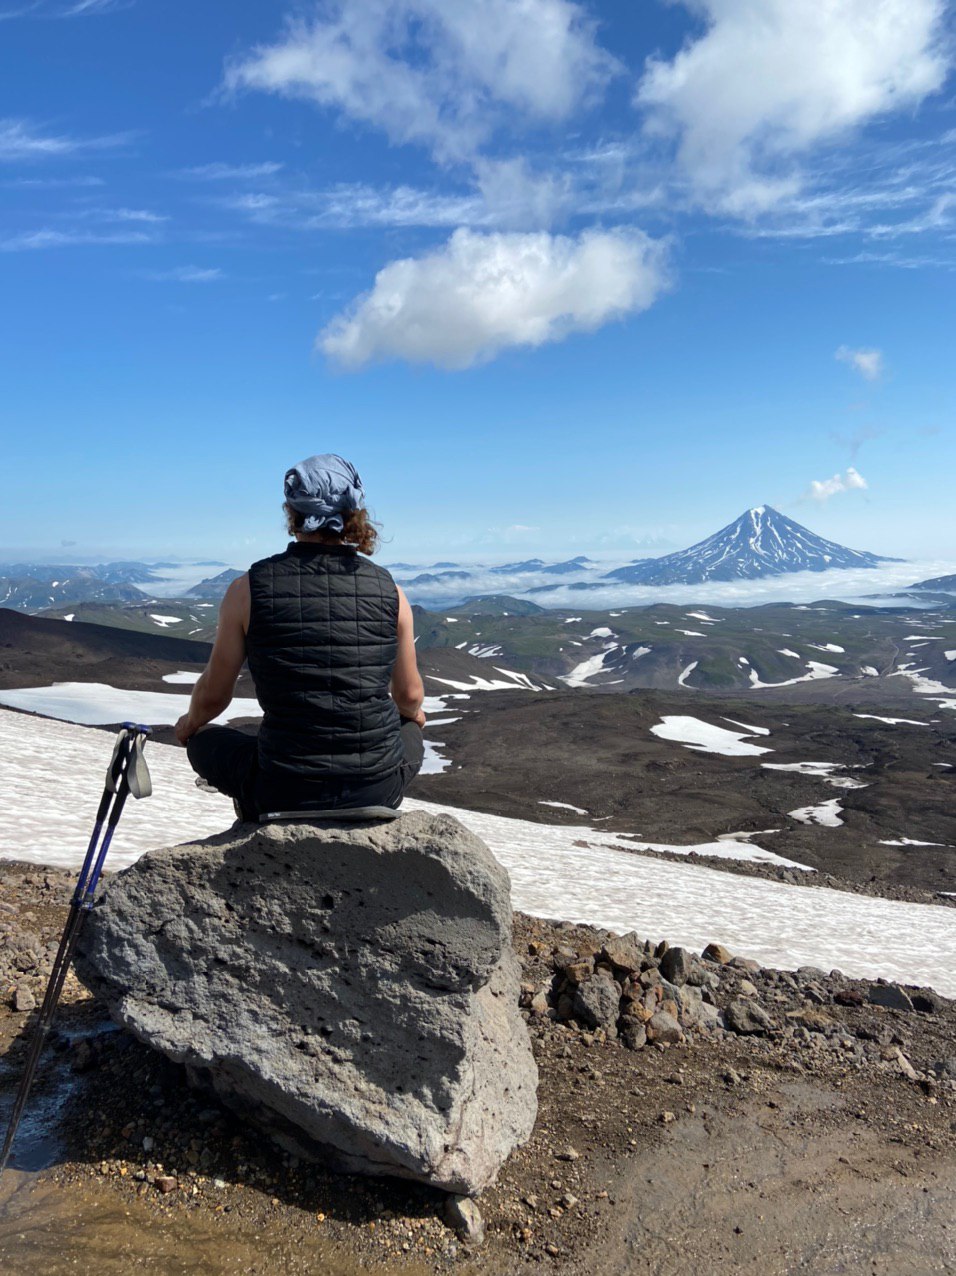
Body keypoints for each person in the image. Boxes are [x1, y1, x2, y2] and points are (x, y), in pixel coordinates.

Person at [175, 453, 425, 821]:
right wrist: (413, 717)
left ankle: (252, 805)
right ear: (354, 513)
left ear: (292, 512)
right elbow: (409, 696)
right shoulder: (392, 591)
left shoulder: (247, 589)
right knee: (408, 729)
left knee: (204, 744)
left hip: (282, 787)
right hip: (376, 787)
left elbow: (214, 695)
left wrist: (190, 726)